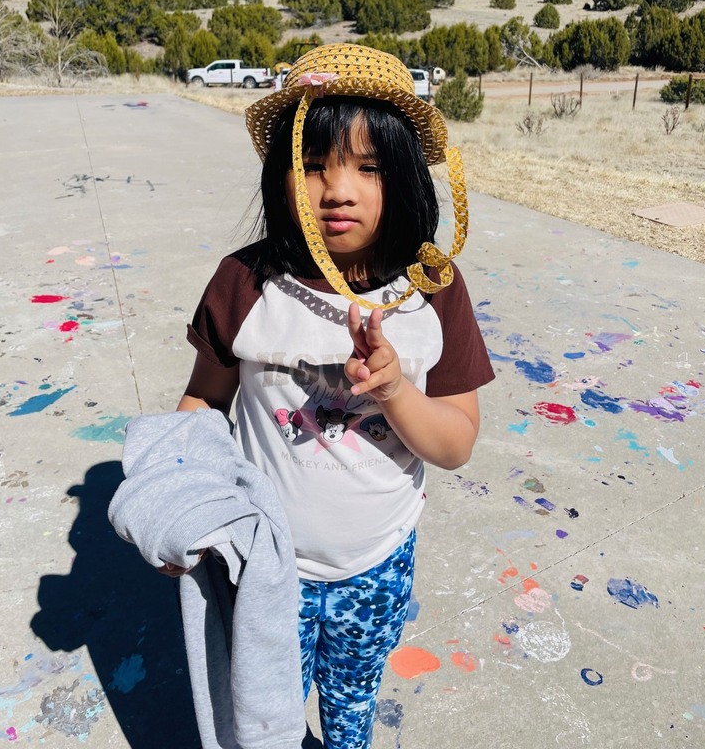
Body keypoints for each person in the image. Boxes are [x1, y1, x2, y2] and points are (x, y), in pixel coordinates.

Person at [173, 43, 495, 748]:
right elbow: (201, 407)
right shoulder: (244, 282)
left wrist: (395, 389)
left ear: (405, 175)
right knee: (265, 719)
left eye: (368, 167)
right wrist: (178, 507)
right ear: (280, 173)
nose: (338, 190)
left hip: (378, 563)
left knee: (352, 709)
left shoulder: (432, 289)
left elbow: (455, 444)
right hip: (264, 568)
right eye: (314, 163)